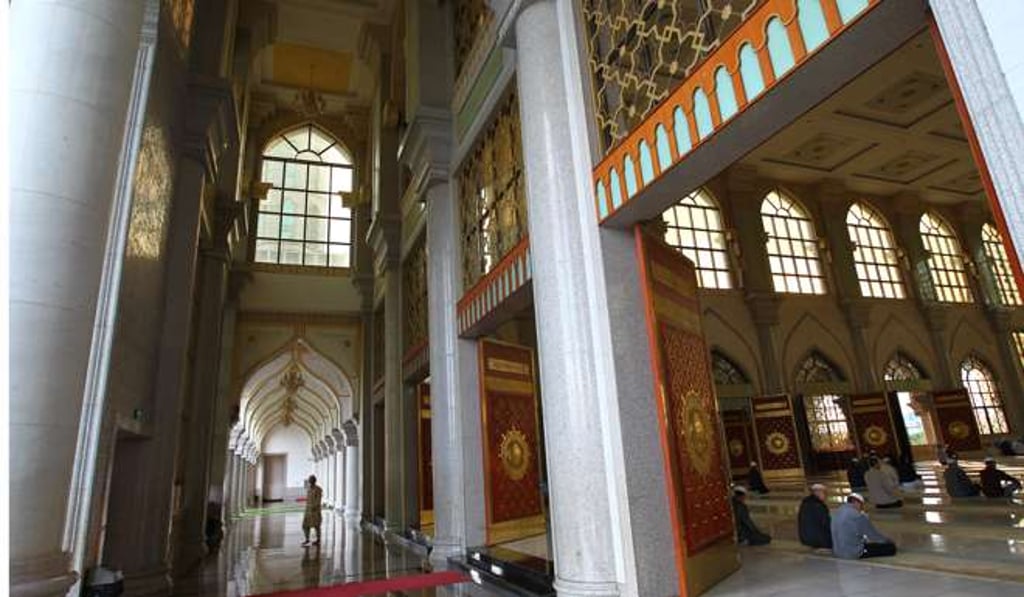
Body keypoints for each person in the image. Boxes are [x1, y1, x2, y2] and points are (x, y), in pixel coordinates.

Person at [831, 493, 897, 559]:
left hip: (837, 551)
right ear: (857, 503)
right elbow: (873, 535)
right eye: (862, 506)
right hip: (852, 552)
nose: (861, 508)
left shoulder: (837, 512)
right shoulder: (857, 515)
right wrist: (886, 540)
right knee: (890, 548)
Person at [798, 483, 832, 549]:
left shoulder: (805, 503)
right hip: (817, 540)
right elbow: (827, 524)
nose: (825, 496)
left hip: (805, 538)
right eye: (824, 493)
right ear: (818, 492)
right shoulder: (819, 506)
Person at [302, 475, 323, 546]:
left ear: (314, 480)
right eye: (309, 480)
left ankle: (318, 540)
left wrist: (314, 507)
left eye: (311, 480)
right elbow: (308, 500)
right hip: (308, 511)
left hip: (315, 511)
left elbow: (318, 500)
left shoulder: (318, 489)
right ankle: (307, 539)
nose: (310, 481)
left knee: (317, 526)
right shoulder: (309, 489)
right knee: (305, 526)